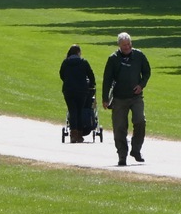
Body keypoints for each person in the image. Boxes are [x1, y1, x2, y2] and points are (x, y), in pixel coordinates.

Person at [101, 32, 152, 166]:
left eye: (129, 44)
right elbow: (107, 79)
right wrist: (105, 98)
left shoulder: (139, 56)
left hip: (136, 97)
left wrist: (141, 85)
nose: (127, 47)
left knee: (140, 121)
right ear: (119, 45)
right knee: (119, 127)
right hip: (119, 98)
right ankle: (122, 155)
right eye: (124, 45)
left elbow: (147, 72)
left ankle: (136, 150)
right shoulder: (113, 59)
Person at [59, 44, 96, 143]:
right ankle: (79, 134)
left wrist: (68, 81)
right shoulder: (83, 62)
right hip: (82, 90)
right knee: (80, 111)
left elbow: (61, 75)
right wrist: (91, 84)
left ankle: (73, 134)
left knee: (72, 111)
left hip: (69, 90)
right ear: (78, 52)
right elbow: (91, 75)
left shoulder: (65, 63)